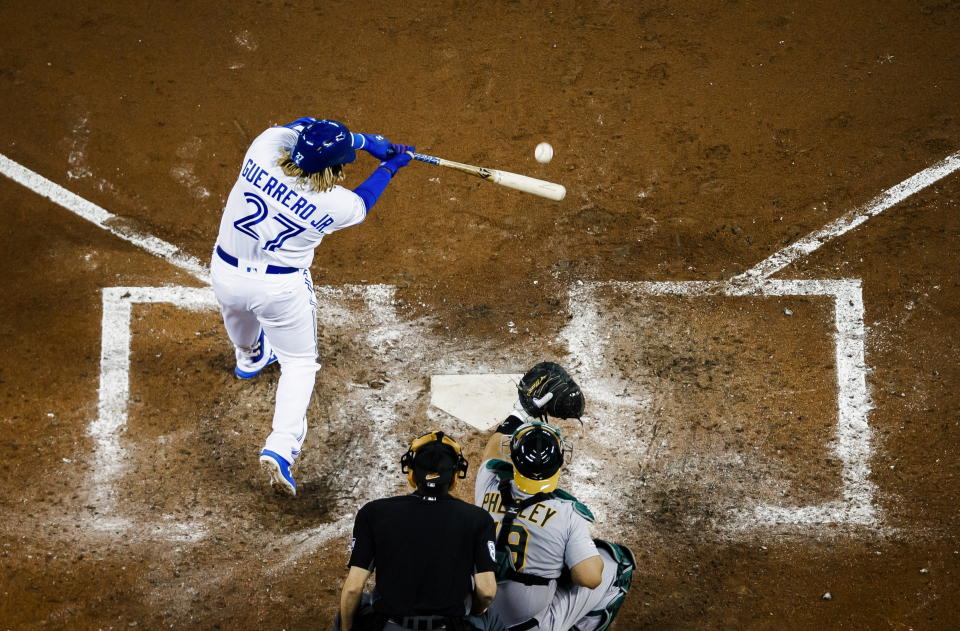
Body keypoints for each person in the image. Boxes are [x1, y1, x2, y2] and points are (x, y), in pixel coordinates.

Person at [210, 116, 414, 496]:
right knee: (299, 363)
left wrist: (363, 139)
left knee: (236, 310)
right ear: (335, 168)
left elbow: (303, 123)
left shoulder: (264, 147)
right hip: (278, 288)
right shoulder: (333, 203)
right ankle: (281, 448)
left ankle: (249, 357)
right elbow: (365, 200)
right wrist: (389, 163)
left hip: (227, 270)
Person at [474, 363, 636, 631]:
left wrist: (521, 412)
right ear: (560, 463)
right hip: (526, 625)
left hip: (479, 617)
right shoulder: (566, 514)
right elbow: (589, 578)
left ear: (513, 458)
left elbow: (493, 449)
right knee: (615, 563)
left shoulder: (489, 483)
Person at [337, 431, 504, 631]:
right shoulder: (479, 519)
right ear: (454, 477)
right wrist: (473, 611)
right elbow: (487, 591)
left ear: (411, 473)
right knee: (491, 618)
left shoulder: (373, 512)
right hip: (448, 626)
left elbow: (353, 589)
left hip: (390, 625)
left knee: (356, 606)